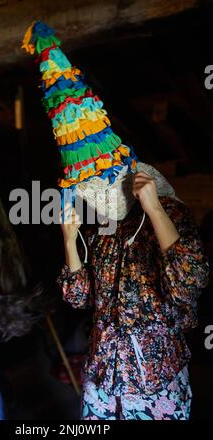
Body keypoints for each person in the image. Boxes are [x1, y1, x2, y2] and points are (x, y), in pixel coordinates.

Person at [58, 163, 210, 420]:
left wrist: (154, 209)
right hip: (103, 376)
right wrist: (69, 242)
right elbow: (80, 297)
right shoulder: (103, 229)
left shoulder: (171, 214)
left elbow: (188, 284)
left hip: (156, 381)